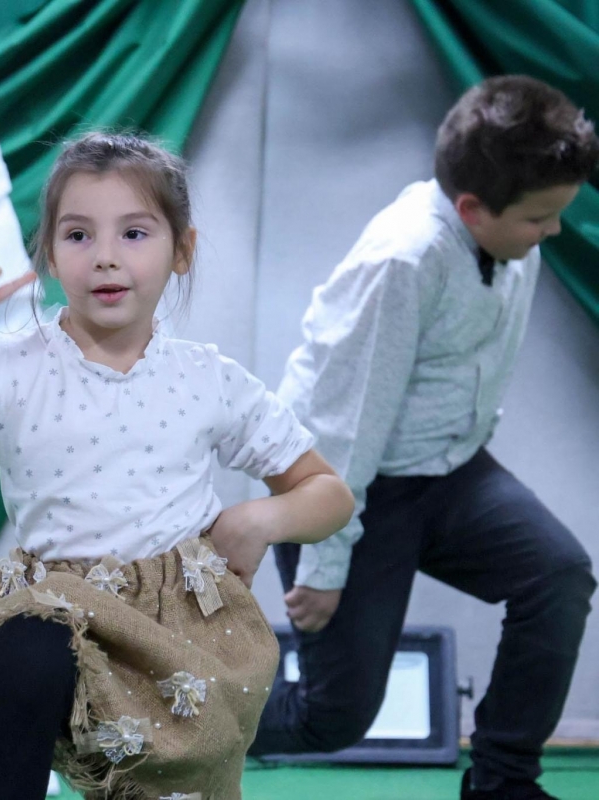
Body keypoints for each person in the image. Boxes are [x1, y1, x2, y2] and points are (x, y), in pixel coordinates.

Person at [0, 131, 355, 800]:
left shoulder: (209, 380)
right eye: (78, 236)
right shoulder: (5, 368)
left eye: (134, 234)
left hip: (177, 636)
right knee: (28, 645)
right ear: (49, 253)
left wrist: (261, 518)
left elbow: (329, 494)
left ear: (182, 251)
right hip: (53, 617)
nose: (105, 258)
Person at [249, 75, 599, 800]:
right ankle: (156, 720)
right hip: (344, 481)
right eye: (540, 219)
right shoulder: (402, 262)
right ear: (472, 209)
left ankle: (502, 784)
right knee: (331, 718)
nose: (553, 232)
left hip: (446, 471)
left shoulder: (510, 238)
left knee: (557, 574)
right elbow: (345, 422)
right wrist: (325, 558)